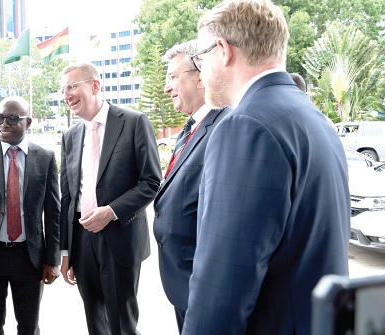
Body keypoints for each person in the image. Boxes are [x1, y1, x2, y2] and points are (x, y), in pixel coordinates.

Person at [183, 0, 350, 334]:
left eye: (200, 58)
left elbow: (224, 281)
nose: (200, 71)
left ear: (223, 50)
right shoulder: (313, 118)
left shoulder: (244, 125)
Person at [59, 62, 162, 335]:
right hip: (82, 243)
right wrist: (66, 251)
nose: (66, 95)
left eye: (72, 86)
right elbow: (67, 198)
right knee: (95, 322)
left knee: (121, 324)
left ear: (95, 85)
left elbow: (151, 181)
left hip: (120, 237)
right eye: (62, 89)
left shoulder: (134, 122)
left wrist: (111, 211)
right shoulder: (70, 136)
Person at [0, 96, 61, 335]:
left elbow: (54, 214)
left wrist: (53, 259)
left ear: (29, 122)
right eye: (0, 117)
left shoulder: (44, 157)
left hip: (30, 257)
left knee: (29, 327)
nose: (4, 124)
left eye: (13, 118)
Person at [152, 40, 230, 333]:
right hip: (182, 279)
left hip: (203, 281)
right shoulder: (189, 129)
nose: (166, 87)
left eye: (173, 77)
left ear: (200, 75)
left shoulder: (225, 126)